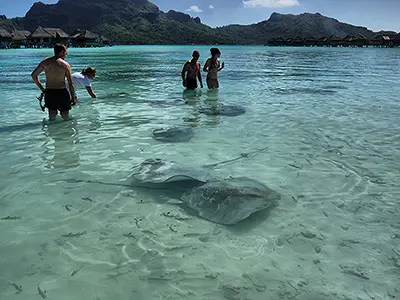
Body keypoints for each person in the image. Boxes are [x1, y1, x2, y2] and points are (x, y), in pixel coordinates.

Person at [31, 44, 76, 121]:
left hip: (50, 93)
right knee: (65, 117)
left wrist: (42, 89)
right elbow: (70, 83)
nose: (65, 55)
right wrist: (73, 97)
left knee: (52, 117)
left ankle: (51, 132)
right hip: (62, 93)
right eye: (65, 53)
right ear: (62, 52)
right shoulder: (65, 65)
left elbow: (34, 75)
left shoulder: (45, 62)